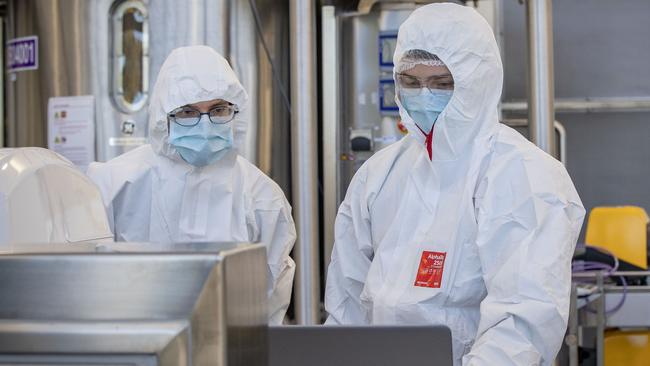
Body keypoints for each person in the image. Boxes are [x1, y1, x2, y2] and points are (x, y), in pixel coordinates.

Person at [324, 3, 585, 365]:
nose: (423, 96)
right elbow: (346, 299)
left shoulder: (523, 175)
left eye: (442, 83)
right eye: (410, 83)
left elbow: (523, 320)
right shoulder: (379, 174)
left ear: (479, 81)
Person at [87, 46, 296, 324]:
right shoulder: (114, 183)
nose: (206, 126)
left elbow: (271, 298)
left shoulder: (262, 197)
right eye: (187, 112)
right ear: (164, 117)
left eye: (218, 109)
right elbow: (93, 284)